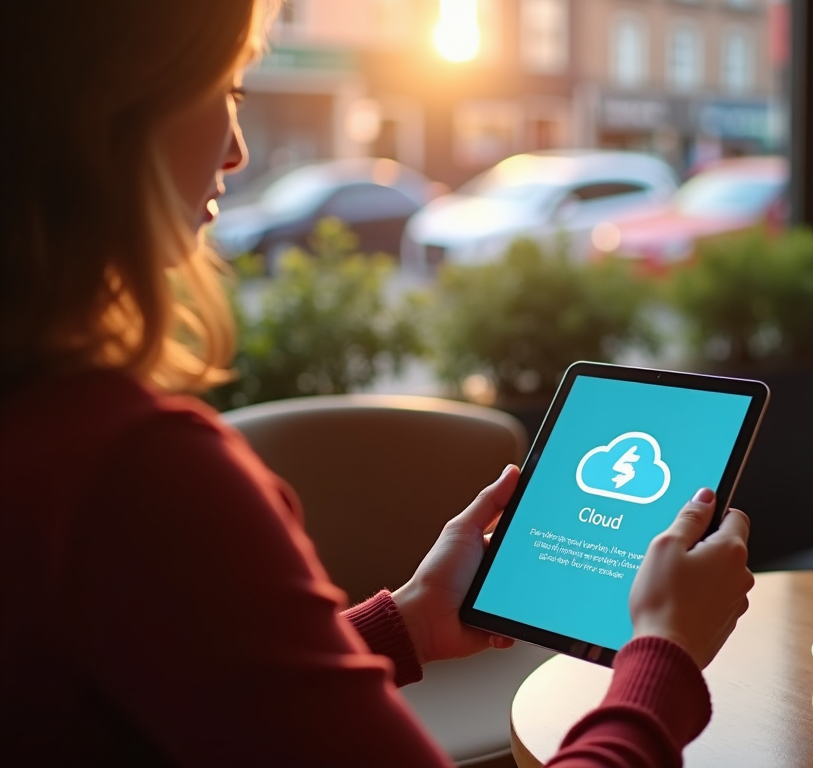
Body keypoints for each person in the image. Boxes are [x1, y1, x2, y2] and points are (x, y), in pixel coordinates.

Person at [0, 2, 755, 766]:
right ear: (118, 107)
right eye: (225, 91)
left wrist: (406, 624)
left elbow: (175, 680)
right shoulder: (140, 477)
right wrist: (663, 654)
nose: (234, 150)